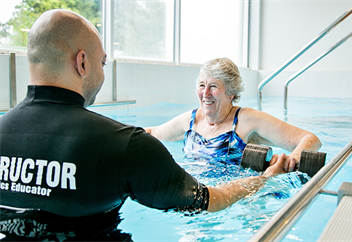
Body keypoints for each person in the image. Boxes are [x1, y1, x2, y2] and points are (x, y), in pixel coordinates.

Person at [0, 9, 288, 242]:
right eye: (103, 63)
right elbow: (210, 200)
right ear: (83, 63)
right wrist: (266, 178)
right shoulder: (124, 145)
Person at [145, 57, 322, 169]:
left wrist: (292, 159)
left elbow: (310, 139)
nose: (205, 93)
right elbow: (151, 133)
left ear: (231, 93)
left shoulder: (246, 120)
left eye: (213, 86)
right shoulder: (190, 121)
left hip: (235, 198)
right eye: (201, 85)